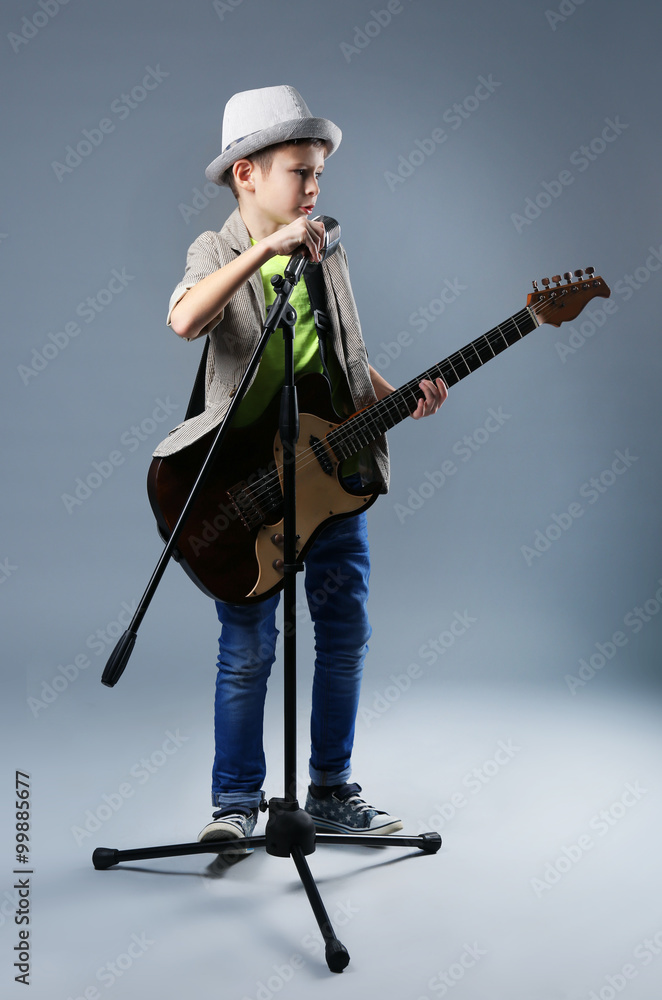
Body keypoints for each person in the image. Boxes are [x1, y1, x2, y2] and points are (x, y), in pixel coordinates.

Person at [153, 85, 447, 852]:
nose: (315, 187)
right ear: (245, 175)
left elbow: (348, 359)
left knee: (344, 628)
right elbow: (185, 319)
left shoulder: (328, 248)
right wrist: (262, 252)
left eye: (319, 171)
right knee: (249, 646)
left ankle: (329, 790)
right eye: (298, 171)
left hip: (330, 476)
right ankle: (234, 804)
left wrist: (400, 395)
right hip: (246, 484)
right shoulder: (217, 252)